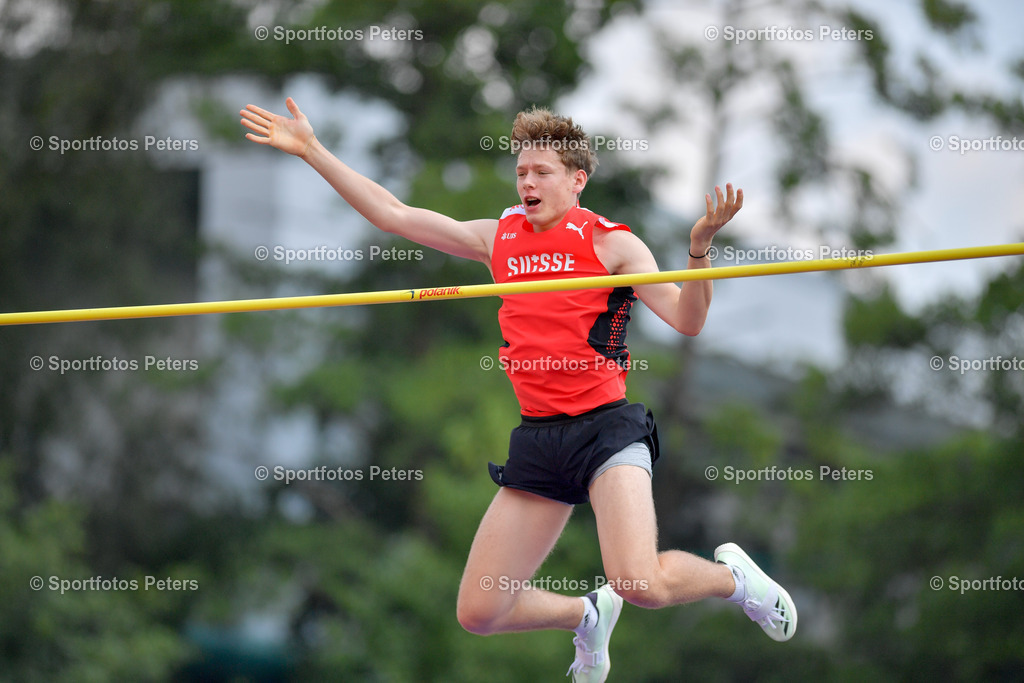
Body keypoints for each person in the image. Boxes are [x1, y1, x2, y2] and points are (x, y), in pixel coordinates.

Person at [240, 99, 796, 682]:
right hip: (539, 437)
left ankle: (735, 579)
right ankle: (585, 616)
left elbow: (688, 320)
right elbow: (394, 215)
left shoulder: (614, 246)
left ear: (577, 180)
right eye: (521, 173)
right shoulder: (497, 238)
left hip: (606, 430)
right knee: (481, 610)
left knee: (641, 584)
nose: (527, 182)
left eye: (542, 173)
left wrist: (700, 246)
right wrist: (311, 150)